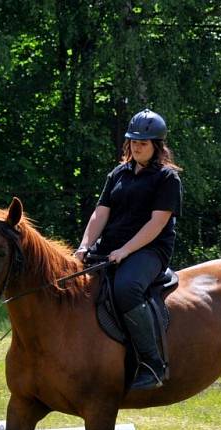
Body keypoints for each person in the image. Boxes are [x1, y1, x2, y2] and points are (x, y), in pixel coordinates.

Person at [74, 108, 183, 390]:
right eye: (133, 142)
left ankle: (152, 363)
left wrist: (125, 251)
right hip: (109, 247)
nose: (137, 146)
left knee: (125, 288)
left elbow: (157, 224)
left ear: (157, 146)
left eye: (143, 143)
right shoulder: (118, 174)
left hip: (149, 251)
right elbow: (100, 214)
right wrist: (85, 245)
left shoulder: (167, 179)